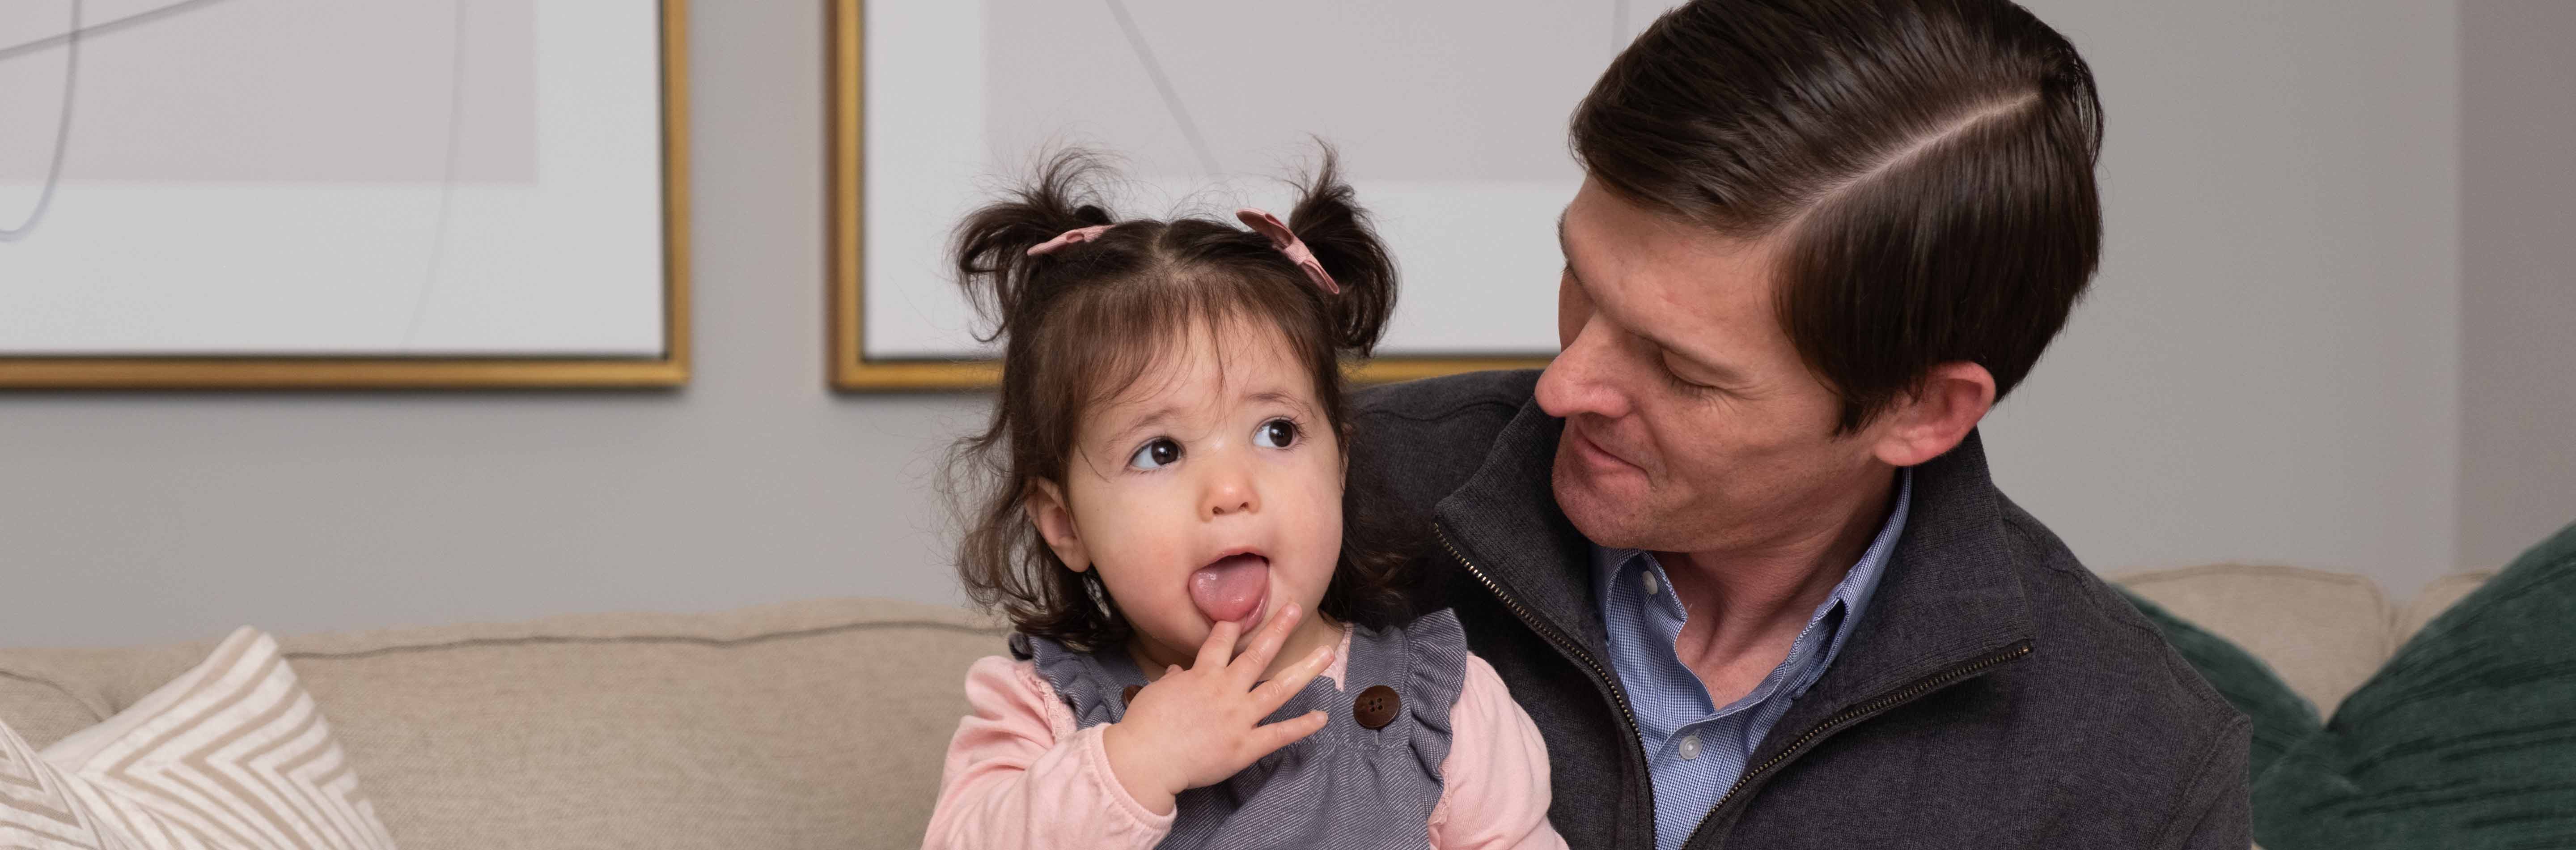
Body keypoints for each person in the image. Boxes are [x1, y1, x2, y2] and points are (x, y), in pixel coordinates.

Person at [1348, 2, 2251, 849]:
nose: (1566, 384)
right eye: (1581, 280)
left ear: (1921, 411)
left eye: (1681, 369)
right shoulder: (1318, 494)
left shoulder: (2141, 772)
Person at [920, 151, 1568, 850]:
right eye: (1160, 452)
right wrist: (1135, 763)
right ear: (1065, 524)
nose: (1231, 491)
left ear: (1340, 465)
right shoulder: (1043, 712)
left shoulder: (1446, 705)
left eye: (1277, 432)